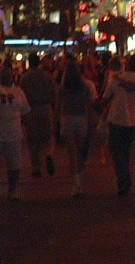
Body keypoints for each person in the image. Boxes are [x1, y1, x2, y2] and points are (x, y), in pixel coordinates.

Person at [0, 65, 30, 198]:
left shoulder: (18, 91)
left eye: (8, 74)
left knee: (14, 163)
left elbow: (25, 112)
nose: (6, 77)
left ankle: (12, 190)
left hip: (14, 133)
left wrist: (26, 130)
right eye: (3, 75)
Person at [102, 54, 135, 195]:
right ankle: (123, 179)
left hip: (116, 117)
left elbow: (105, 98)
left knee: (115, 149)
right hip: (131, 118)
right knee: (125, 150)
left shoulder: (115, 79)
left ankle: (123, 176)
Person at [59, 59, 96, 195]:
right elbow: (89, 106)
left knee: (72, 153)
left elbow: (58, 106)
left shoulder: (63, 88)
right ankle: (79, 180)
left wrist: (56, 122)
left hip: (67, 118)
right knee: (80, 152)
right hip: (81, 118)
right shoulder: (85, 87)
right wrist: (91, 122)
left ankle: (76, 183)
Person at [20, 53, 57, 177]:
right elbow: (54, 94)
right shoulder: (48, 76)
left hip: (31, 108)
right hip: (45, 107)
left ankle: (36, 167)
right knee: (47, 136)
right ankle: (48, 154)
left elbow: (22, 96)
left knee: (33, 138)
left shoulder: (24, 78)